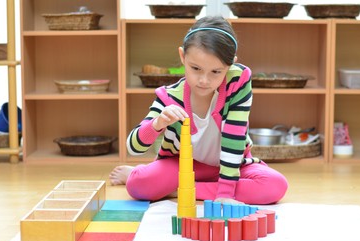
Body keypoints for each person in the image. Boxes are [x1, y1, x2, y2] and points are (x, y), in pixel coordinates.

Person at [109, 16, 288, 205]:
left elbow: (234, 137)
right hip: (183, 165)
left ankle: (181, 190)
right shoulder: (169, 97)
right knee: (138, 185)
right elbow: (133, 146)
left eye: (216, 72)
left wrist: (225, 194)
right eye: (195, 68)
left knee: (275, 185)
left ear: (230, 65)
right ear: (182, 56)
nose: (204, 80)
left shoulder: (238, 80)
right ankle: (148, 176)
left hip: (232, 165)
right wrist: (158, 123)